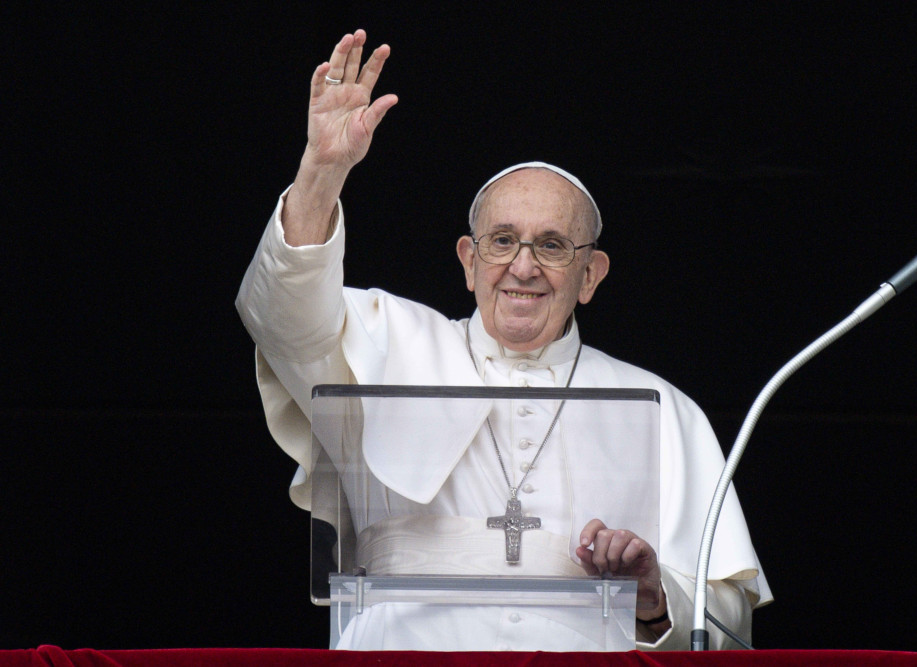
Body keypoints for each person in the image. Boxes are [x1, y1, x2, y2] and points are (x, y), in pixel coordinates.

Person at [236, 29, 770, 651]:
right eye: (501, 241)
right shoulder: (384, 340)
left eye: (551, 245)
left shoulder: (662, 407)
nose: (523, 267)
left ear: (590, 275)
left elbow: (729, 629)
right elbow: (280, 318)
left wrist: (654, 599)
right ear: (467, 260)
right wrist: (320, 175)